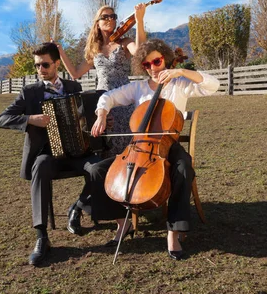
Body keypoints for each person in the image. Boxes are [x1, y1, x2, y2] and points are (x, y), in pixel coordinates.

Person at [89, 39, 220, 260]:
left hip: (169, 145)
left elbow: (213, 85)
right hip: (138, 147)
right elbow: (108, 97)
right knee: (96, 170)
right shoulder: (138, 88)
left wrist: (182, 71)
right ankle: (123, 223)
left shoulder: (180, 83)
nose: (153, 68)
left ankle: (173, 231)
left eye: (157, 62)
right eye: (147, 65)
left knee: (183, 168)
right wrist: (101, 113)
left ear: (166, 60)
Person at [0, 42, 102, 266]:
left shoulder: (74, 88)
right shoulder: (30, 93)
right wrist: (30, 119)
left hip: (77, 151)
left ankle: (78, 206)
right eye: (37, 66)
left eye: (45, 64)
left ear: (56, 64)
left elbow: (87, 116)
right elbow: (1, 119)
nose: (40, 69)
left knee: (100, 166)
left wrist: (98, 121)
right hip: (49, 155)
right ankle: (42, 236)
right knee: (40, 166)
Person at [55, 3, 147, 232]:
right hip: (101, 107)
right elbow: (76, 74)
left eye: (113, 16)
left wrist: (140, 19)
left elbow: (142, 51)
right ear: (97, 22)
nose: (110, 19)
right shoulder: (95, 49)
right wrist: (60, 51)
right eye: (105, 16)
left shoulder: (124, 43)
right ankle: (84, 205)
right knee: (103, 160)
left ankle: (122, 206)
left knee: (123, 157)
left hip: (124, 104)